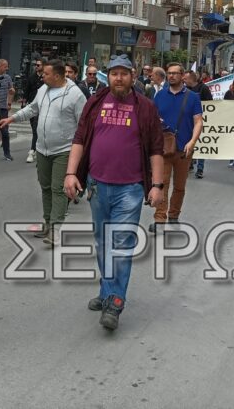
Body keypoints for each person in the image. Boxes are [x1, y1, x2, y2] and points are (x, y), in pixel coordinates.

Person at [62, 55, 164, 331]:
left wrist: (156, 185)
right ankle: (107, 291)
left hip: (130, 188)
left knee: (120, 244)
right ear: (109, 76)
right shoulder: (95, 103)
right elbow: (80, 139)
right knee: (103, 242)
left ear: (132, 76)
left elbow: (156, 148)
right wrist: (71, 173)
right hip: (97, 185)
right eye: (114, 73)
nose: (119, 78)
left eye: (124, 73)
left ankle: (115, 301)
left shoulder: (145, 107)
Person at [0, 58, 86, 245]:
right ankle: (47, 223)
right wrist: (12, 119)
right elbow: (32, 108)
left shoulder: (75, 95)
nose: (42, 76)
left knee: (58, 189)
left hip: (64, 149)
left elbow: (83, 124)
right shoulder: (43, 89)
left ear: (57, 75)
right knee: (45, 187)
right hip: (42, 148)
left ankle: (55, 228)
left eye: (46, 74)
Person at [150, 63, 203, 230]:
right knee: (162, 184)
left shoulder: (193, 97)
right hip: (164, 148)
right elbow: (152, 119)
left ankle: (174, 214)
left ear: (182, 76)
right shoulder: (159, 96)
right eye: (169, 73)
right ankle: (159, 219)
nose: (171, 76)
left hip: (184, 150)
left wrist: (192, 141)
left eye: (175, 73)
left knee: (180, 186)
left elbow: (198, 121)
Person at [183, 70, 212, 179]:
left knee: (201, 144)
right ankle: (188, 164)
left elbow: (210, 104)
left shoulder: (203, 88)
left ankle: (200, 168)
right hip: (188, 121)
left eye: (185, 79)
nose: (183, 81)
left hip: (200, 120)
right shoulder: (185, 89)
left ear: (191, 78)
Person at [24, 58, 44, 162]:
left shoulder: (46, 78)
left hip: (42, 107)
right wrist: (25, 101)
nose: (36, 67)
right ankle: (35, 147)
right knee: (34, 129)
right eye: (36, 65)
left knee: (37, 129)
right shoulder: (31, 77)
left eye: (38, 65)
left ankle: (32, 150)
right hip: (32, 105)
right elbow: (27, 90)